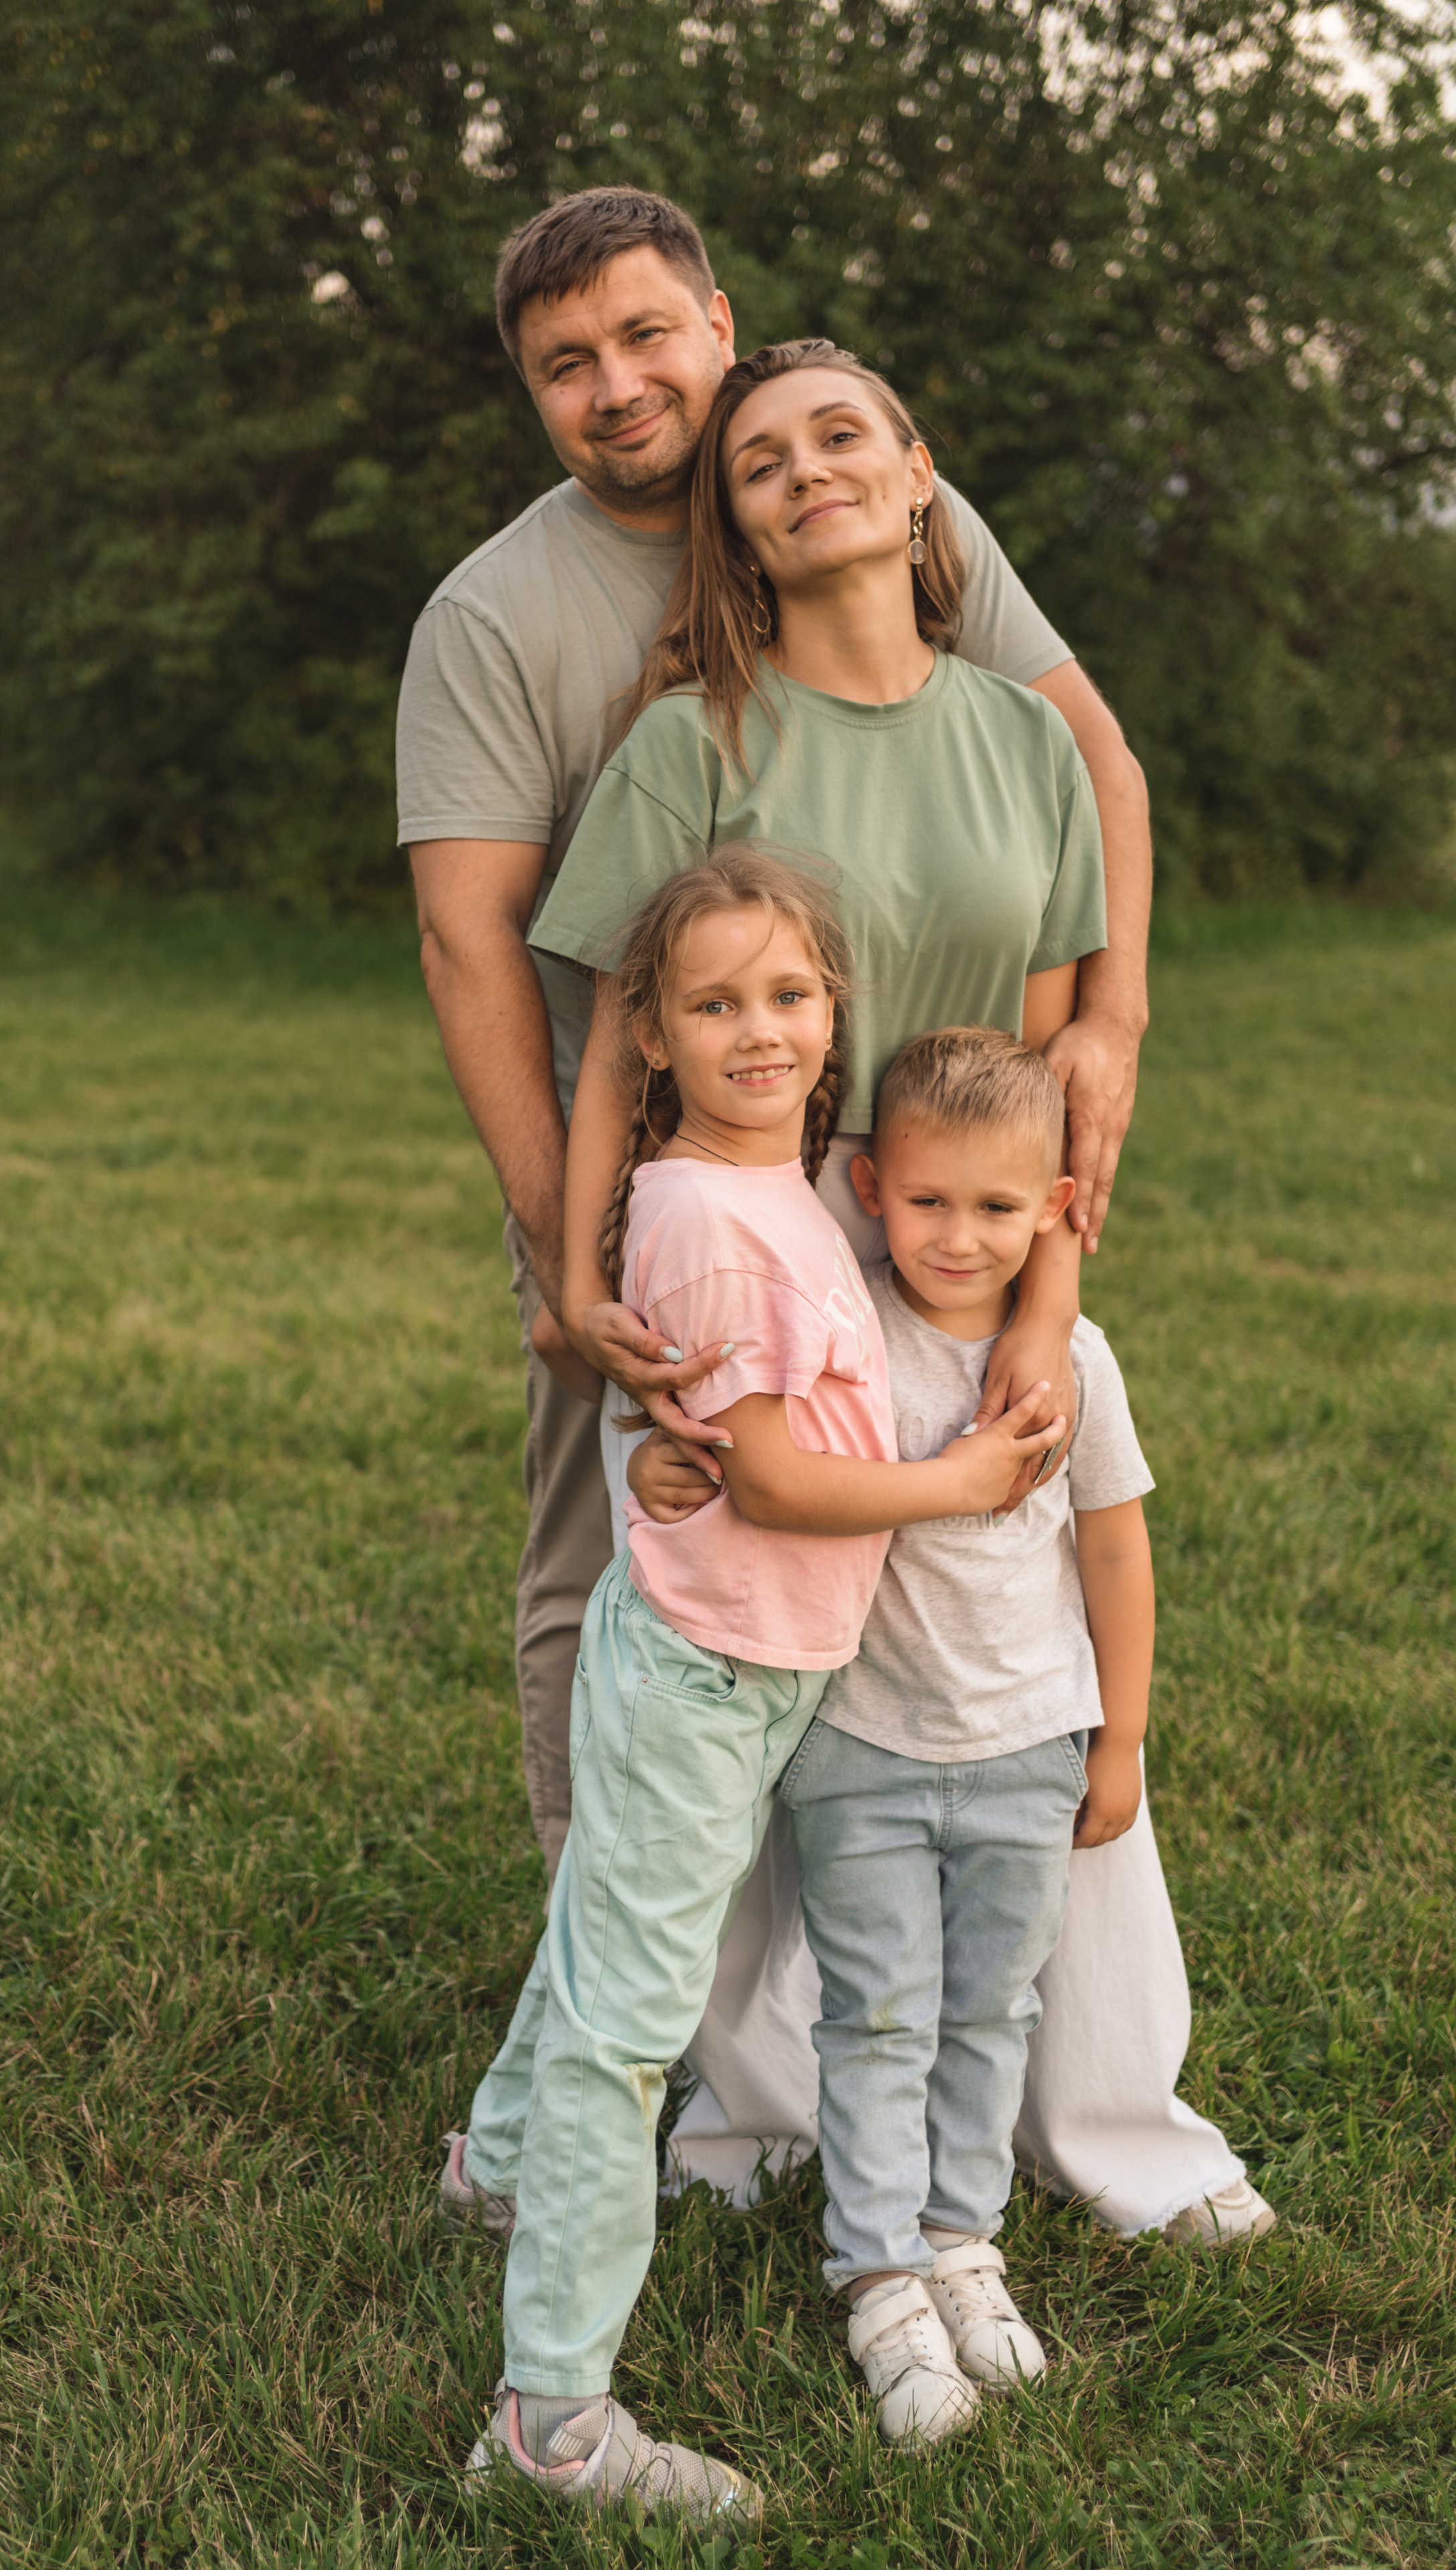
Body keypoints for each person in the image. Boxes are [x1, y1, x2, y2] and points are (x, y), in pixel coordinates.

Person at [405, 188, 1269, 2244]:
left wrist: (1086, 1126)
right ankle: (694, 2077)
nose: (619, 385)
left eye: (647, 337)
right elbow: (497, 952)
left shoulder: (957, 640)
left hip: (955, 1228)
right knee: (689, 1638)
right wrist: (577, 1262)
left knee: (992, 1649)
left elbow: (1082, 851)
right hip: (727, 1225)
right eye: (563, 363)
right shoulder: (561, 655)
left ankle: (1086, 2102)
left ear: (721, 329)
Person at [458, 853, 1067, 2520]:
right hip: (705, 1674)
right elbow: (787, 1481)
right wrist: (959, 1487)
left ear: (831, 1009)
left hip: (736, 1659)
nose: (760, 1031)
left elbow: (738, 1431)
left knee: (605, 1924)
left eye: (788, 995)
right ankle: (550, 2425)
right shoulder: (715, 1220)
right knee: (625, 2032)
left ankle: (494, 2169)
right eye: (714, 1003)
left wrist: (670, 1451)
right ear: (646, 1036)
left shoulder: (769, 1185)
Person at [631, 1027, 1158, 2447]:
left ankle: (957, 2243)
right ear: (869, 1189)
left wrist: (1116, 1741)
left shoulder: (1071, 1364)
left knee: (990, 2010)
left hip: (1027, 1747)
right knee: (873, 2014)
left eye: (996, 1208)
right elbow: (749, 1451)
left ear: (1053, 1210)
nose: (957, 1236)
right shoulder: (840, 1330)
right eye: (927, 1200)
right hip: (858, 1746)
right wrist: (662, 1456)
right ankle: (874, 2277)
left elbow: (1114, 1551)